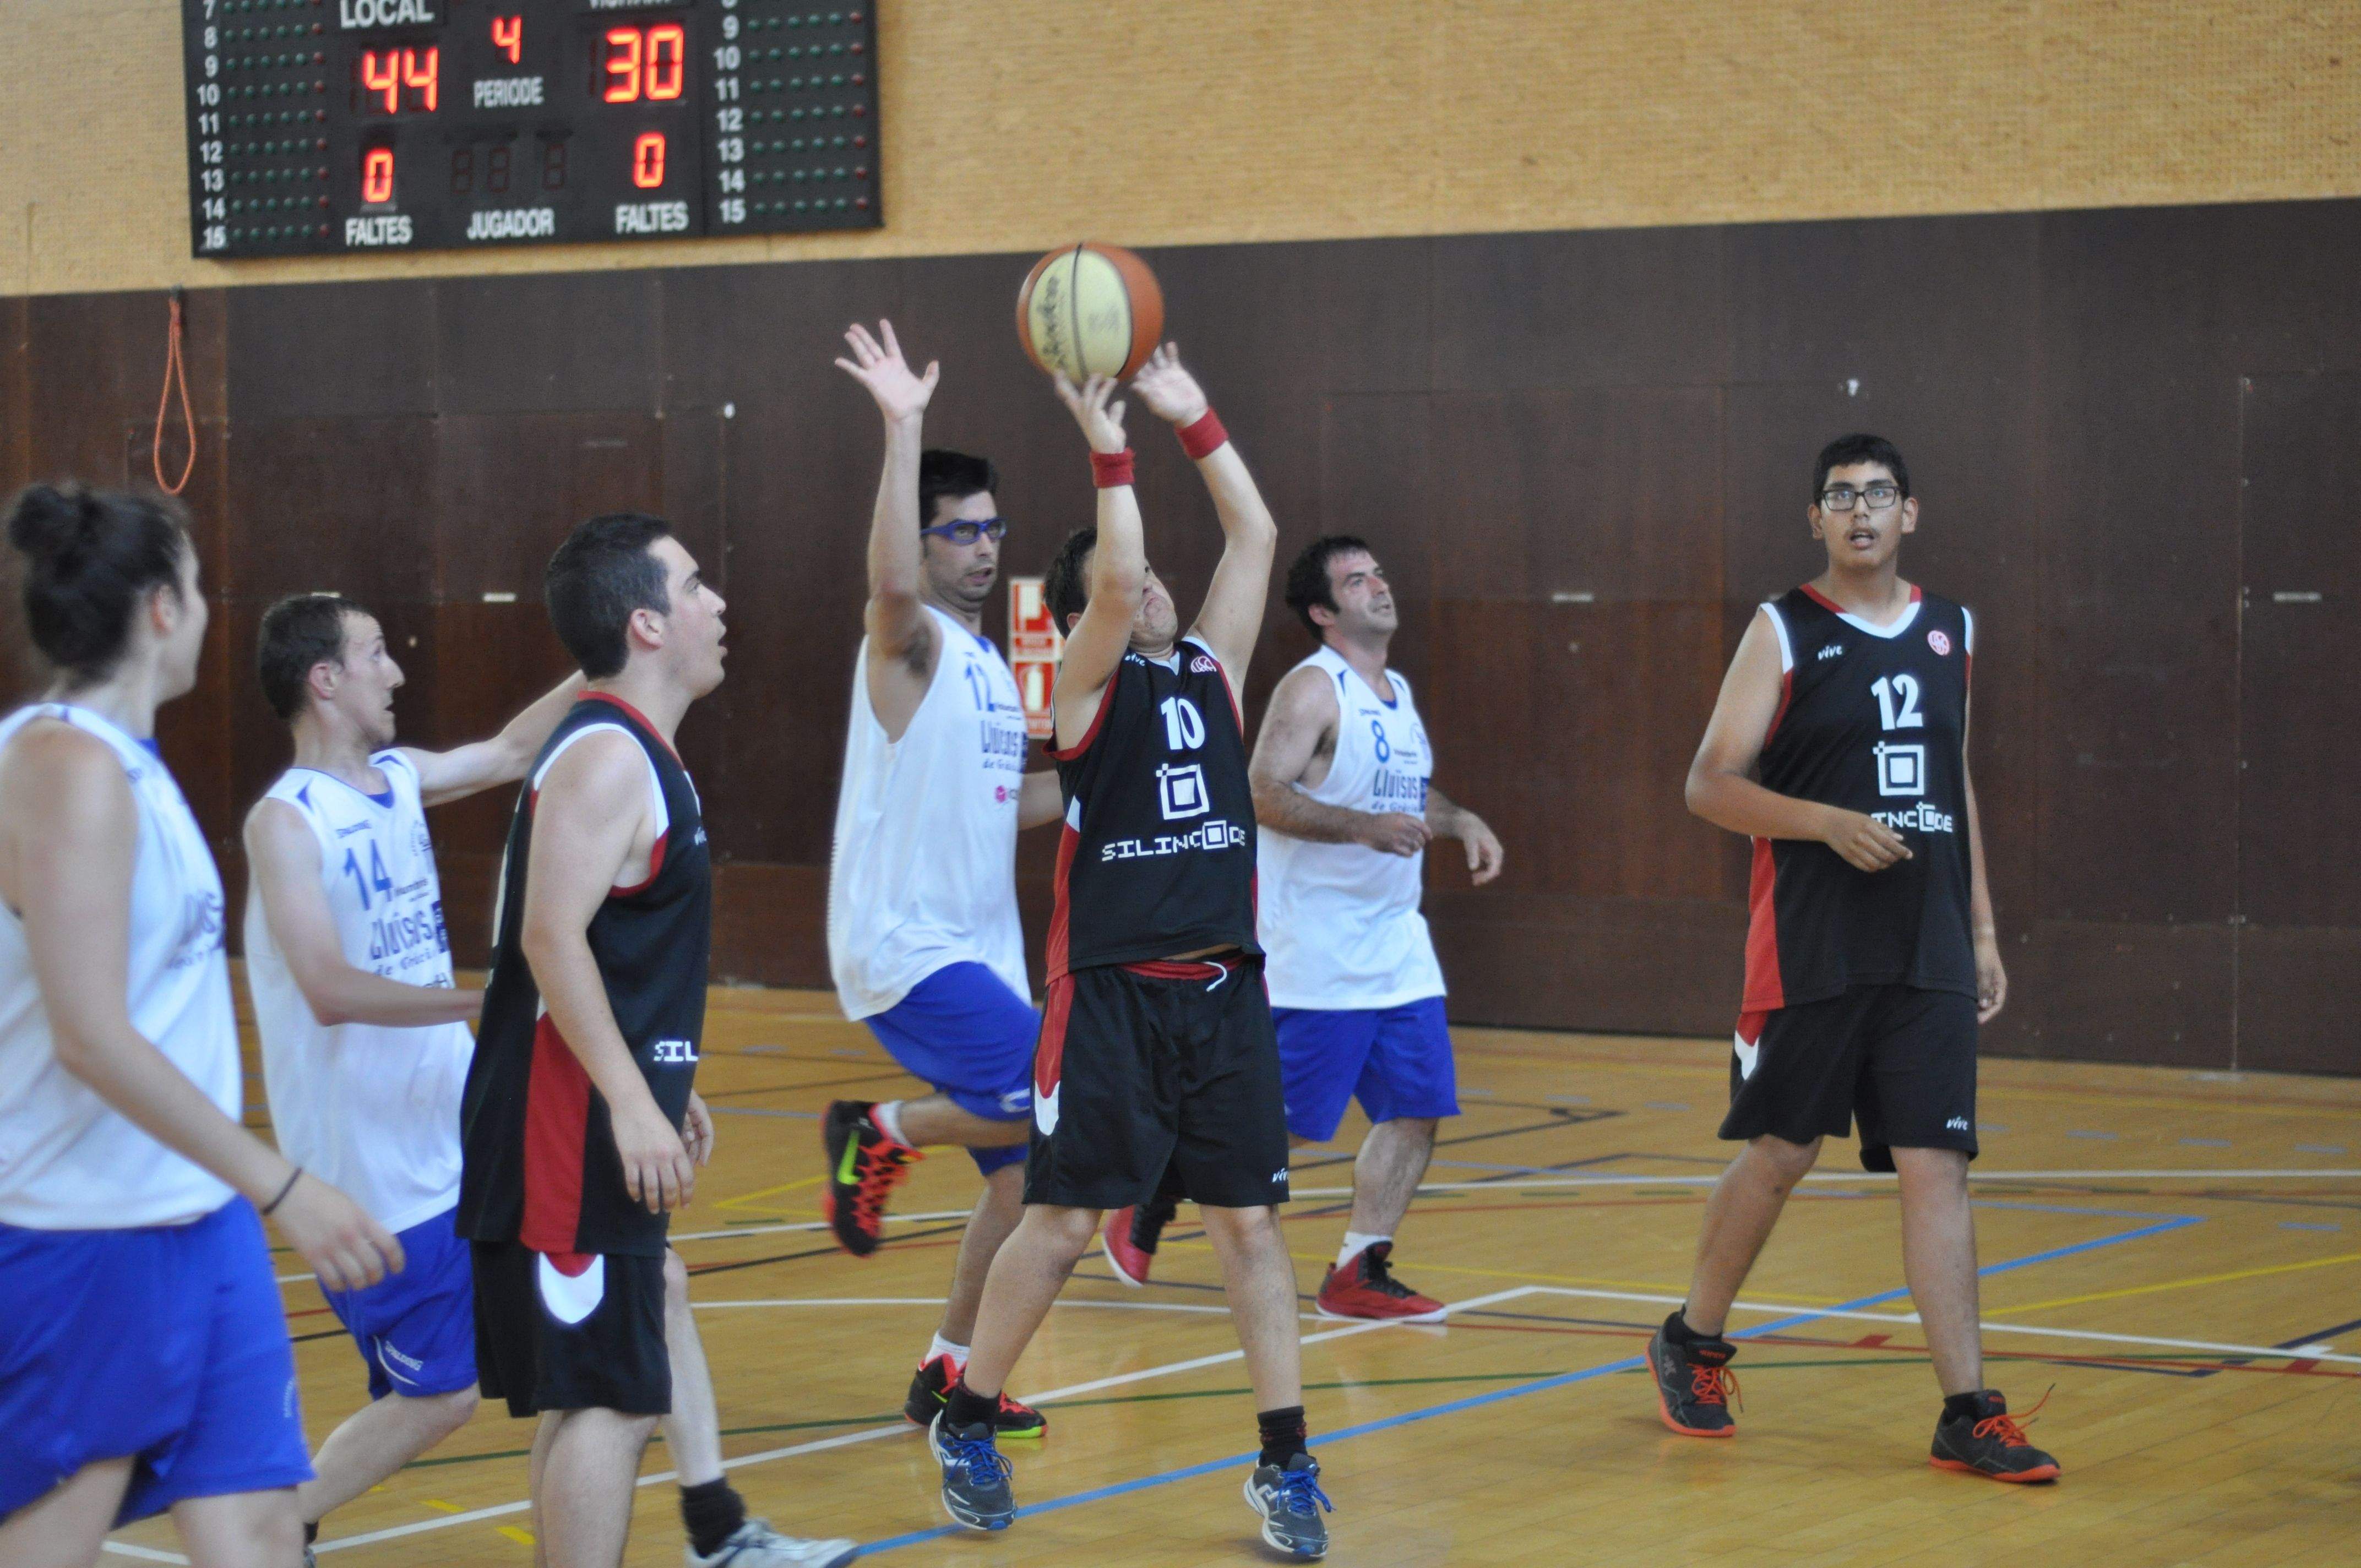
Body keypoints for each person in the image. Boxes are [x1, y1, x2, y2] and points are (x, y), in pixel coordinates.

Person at [924, 351, 1334, 1560]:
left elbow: (1254, 533)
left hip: (1226, 990)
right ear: (1082, 615)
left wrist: (1192, 417)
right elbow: (1110, 579)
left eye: (1157, 575)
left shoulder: (1211, 667)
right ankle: (966, 1416)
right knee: (1060, 1224)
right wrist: (1110, 451)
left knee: (1251, 1228)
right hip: (1109, 996)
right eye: (1131, 578)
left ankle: (1285, 1460)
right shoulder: (1081, 690)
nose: (1151, 585)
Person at [0, 484, 398, 1568]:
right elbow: (89, 1034)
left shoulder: (132, 761)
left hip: (200, 1219)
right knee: (53, 1538)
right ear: (161, 608)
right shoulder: (64, 766)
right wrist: (282, 1185)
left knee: (261, 1527)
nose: (211, 610)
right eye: (199, 587)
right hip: (84, 1233)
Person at [1649, 434, 2057, 1483]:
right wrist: (1825, 822)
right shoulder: (1783, 629)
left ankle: (1967, 1411)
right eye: (1842, 496)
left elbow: (1954, 780)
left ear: (1909, 513)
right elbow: (1708, 783)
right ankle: (1691, 1338)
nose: (1862, 511)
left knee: (1937, 1166)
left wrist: (1981, 929)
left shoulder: (1954, 629)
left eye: (1880, 494)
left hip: (1927, 945)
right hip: (1814, 943)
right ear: (1817, 519)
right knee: (1783, 1153)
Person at [454, 514, 856, 1568]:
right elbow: (549, 937)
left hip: (582, 1111)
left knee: (597, 1388)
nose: (717, 604)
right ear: (645, 624)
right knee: (613, 1397)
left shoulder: (634, 750)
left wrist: (659, 1080)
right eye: (694, 586)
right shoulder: (606, 757)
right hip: (560, 1132)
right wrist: (630, 1103)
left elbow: (609, 952)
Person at [243, 592, 583, 1555]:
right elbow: (326, 987)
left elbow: (511, 752)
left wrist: (606, 659)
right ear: (325, 679)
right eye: (377, 654)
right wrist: (484, 1002)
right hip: (375, 1173)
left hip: (458, 1132)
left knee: (616, 1302)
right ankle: (280, 1525)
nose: (396, 673)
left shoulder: (397, 778)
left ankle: (684, 1502)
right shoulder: (286, 822)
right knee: (440, 1396)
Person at [1106, 536, 1499, 1321]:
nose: (1378, 585)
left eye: (1378, 572)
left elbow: (1406, 795)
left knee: (1417, 1108)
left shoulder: (1396, 692)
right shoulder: (1314, 690)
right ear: (1322, 612)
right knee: (1274, 1124)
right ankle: (1153, 1186)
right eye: (1356, 581)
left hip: (1396, 944)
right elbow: (1259, 792)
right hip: (1317, 948)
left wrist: (1461, 821)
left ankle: (1359, 1267)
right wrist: (1361, 828)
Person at [820, 322, 1063, 1439]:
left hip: (980, 950)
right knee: (1055, 1094)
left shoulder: (991, 669)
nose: (981, 546)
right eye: (958, 530)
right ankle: (879, 1128)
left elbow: (1007, 805)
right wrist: (900, 428)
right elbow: (883, 584)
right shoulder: (907, 643)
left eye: (990, 528)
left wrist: (1106, 793)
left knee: (1023, 1181)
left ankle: (950, 1373)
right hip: (906, 942)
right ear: (920, 544)